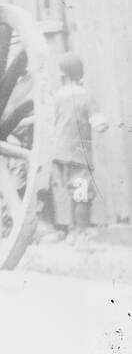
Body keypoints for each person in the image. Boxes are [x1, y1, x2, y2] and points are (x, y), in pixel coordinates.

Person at [41, 52, 109, 241]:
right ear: (81, 75)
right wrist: (104, 124)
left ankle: (71, 230)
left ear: (62, 75)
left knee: (72, 191)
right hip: (78, 154)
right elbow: (99, 123)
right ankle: (81, 232)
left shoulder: (57, 97)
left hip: (59, 153)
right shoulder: (85, 97)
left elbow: (50, 121)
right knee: (82, 193)